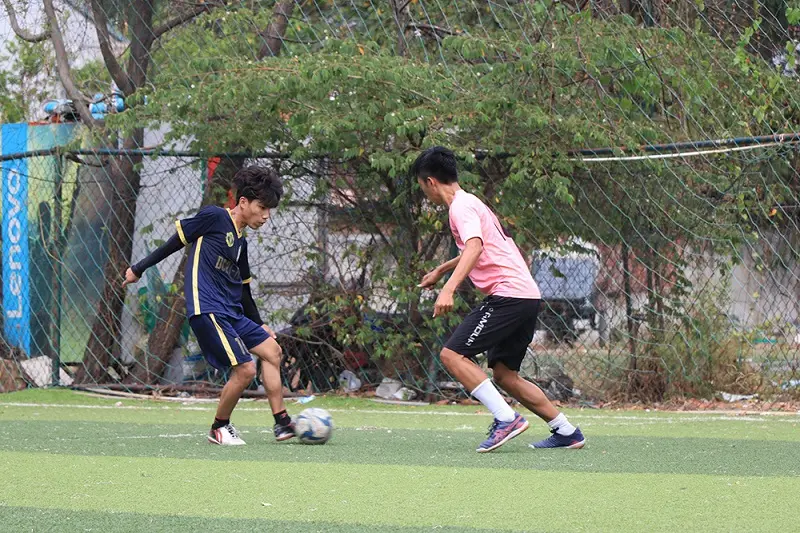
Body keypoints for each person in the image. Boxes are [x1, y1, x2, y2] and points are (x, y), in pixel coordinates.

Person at [413, 146, 585, 452]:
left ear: (430, 182)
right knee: (505, 375)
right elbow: (485, 245)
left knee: (452, 355)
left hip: (508, 295)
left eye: (422, 187)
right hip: (526, 296)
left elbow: (476, 247)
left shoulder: (460, 208)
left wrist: (449, 288)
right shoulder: (472, 203)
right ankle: (566, 431)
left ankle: (506, 419)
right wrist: (442, 268)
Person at [123, 166, 294, 445]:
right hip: (208, 310)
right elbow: (174, 243)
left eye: (270, 210)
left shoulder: (241, 243)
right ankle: (219, 427)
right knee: (246, 370)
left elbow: (244, 289)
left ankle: (283, 424)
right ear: (243, 202)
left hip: (231, 312)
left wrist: (259, 321)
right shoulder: (214, 217)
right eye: (262, 207)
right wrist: (139, 269)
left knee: (272, 351)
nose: (266, 216)